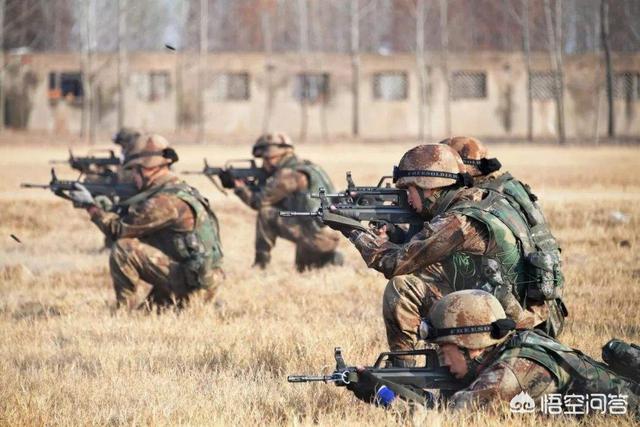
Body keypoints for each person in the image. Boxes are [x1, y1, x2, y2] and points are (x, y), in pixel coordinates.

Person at [326, 144, 566, 366]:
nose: (407, 199)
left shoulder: (458, 221)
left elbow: (394, 263)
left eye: (409, 190)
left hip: (510, 326)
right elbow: (423, 254)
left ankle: (402, 374)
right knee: (419, 276)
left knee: (402, 288)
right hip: (520, 314)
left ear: (428, 186)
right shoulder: (485, 201)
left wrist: (352, 230)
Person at [348, 290, 639, 415]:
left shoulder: (510, 372)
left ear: (471, 344)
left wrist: (383, 395)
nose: (442, 359)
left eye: (445, 350)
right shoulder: (512, 346)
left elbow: (445, 421)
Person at [69, 134, 224, 309]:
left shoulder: (164, 200)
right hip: (199, 277)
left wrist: (91, 208)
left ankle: (123, 312)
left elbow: (118, 230)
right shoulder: (179, 188)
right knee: (147, 313)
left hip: (194, 284)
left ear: (147, 168)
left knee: (124, 249)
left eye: (134, 170)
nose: (133, 176)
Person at [232, 132, 343, 271]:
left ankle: (261, 265)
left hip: (315, 237)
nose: (265, 164)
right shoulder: (309, 167)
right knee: (304, 270)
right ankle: (329, 258)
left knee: (265, 213)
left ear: (279, 155)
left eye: (267, 159)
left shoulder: (288, 174)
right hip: (328, 234)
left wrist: (241, 189)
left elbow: (259, 202)